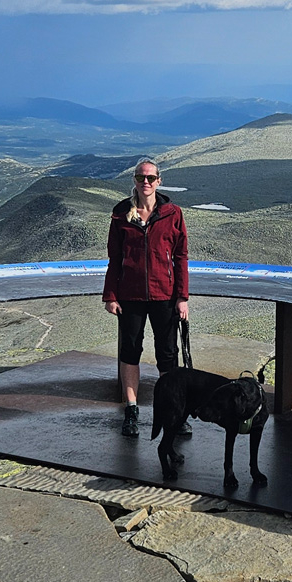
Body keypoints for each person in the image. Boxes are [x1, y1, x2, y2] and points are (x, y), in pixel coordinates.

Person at [102, 159, 189, 437]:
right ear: (135, 180)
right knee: (130, 352)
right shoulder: (121, 214)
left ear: (159, 181)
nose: (146, 182)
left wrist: (182, 297)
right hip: (130, 296)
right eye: (141, 177)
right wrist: (110, 296)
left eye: (151, 178)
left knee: (168, 355)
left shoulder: (173, 213)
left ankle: (173, 411)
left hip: (165, 295)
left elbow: (180, 258)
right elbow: (115, 259)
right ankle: (131, 410)